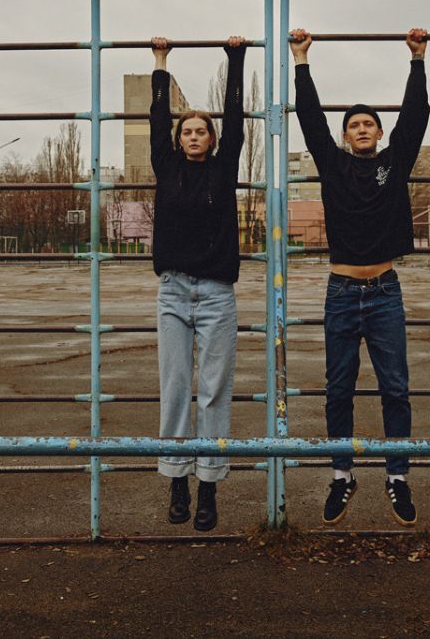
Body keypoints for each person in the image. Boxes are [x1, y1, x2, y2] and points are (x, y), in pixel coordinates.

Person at [290, 27, 430, 527]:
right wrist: (301, 61)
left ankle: (397, 476)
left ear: (379, 132)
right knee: (338, 389)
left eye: (370, 123)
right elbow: (309, 120)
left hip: (386, 291)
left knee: (395, 387)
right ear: (346, 136)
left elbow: (415, 119)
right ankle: (342, 474)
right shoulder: (333, 167)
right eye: (355, 125)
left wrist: (417, 60)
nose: (364, 129)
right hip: (342, 291)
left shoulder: (396, 162)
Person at [150, 34, 246, 531]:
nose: (192, 136)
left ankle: (208, 487)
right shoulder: (164, 169)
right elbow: (155, 118)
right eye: (186, 130)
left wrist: (235, 59)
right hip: (172, 290)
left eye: (200, 131)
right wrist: (161, 63)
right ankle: (177, 482)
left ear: (210, 140)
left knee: (212, 390)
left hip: (215, 295)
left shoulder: (225, 168)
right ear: (178, 138)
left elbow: (237, 121)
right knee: (176, 386)